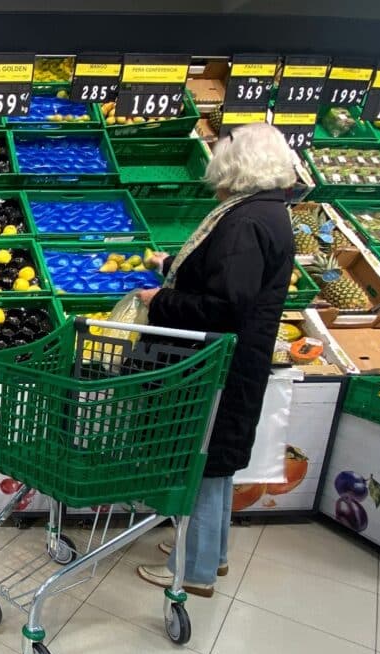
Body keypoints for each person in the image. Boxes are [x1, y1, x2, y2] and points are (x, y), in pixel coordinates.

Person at [134, 123, 296, 597]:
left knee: (203, 460)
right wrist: (172, 266)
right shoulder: (268, 211)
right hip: (240, 359)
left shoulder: (244, 221)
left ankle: (196, 572)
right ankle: (215, 553)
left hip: (220, 364)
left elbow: (225, 305)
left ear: (235, 168)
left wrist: (157, 300)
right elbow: (227, 278)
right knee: (220, 461)